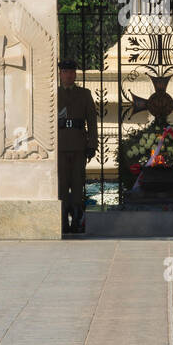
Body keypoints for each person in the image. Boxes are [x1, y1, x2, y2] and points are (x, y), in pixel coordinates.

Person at [57, 59, 97, 234]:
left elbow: (92, 122)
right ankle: (63, 221)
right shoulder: (54, 93)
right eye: (65, 72)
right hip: (59, 146)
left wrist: (92, 144)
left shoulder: (84, 94)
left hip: (79, 146)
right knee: (61, 186)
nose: (69, 75)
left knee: (77, 184)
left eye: (72, 72)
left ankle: (77, 221)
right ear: (60, 74)